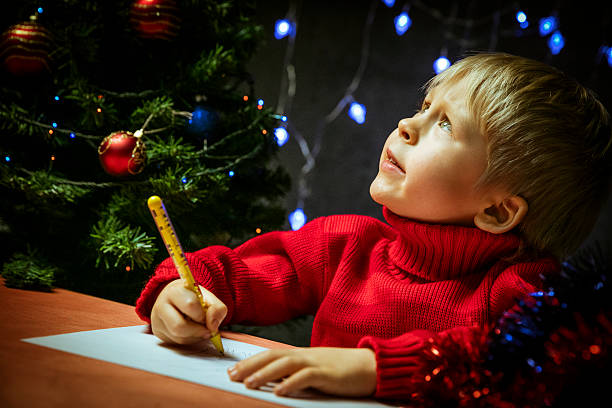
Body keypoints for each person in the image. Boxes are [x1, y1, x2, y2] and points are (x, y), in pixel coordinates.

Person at [135, 52, 611, 402]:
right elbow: (249, 272)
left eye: (445, 124)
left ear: (499, 212)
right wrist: (184, 293)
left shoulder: (521, 291)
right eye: (424, 106)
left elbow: (518, 361)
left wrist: (372, 367)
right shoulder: (347, 244)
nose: (407, 124)